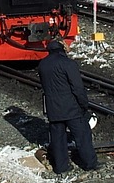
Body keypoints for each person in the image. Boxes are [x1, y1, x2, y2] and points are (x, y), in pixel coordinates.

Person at [36, 39, 98, 175]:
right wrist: (84, 105)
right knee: (83, 136)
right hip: (72, 109)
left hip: (53, 109)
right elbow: (78, 88)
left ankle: (61, 166)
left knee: (58, 139)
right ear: (62, 50)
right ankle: (90, 164)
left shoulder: (42, 65)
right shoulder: (68, 64)